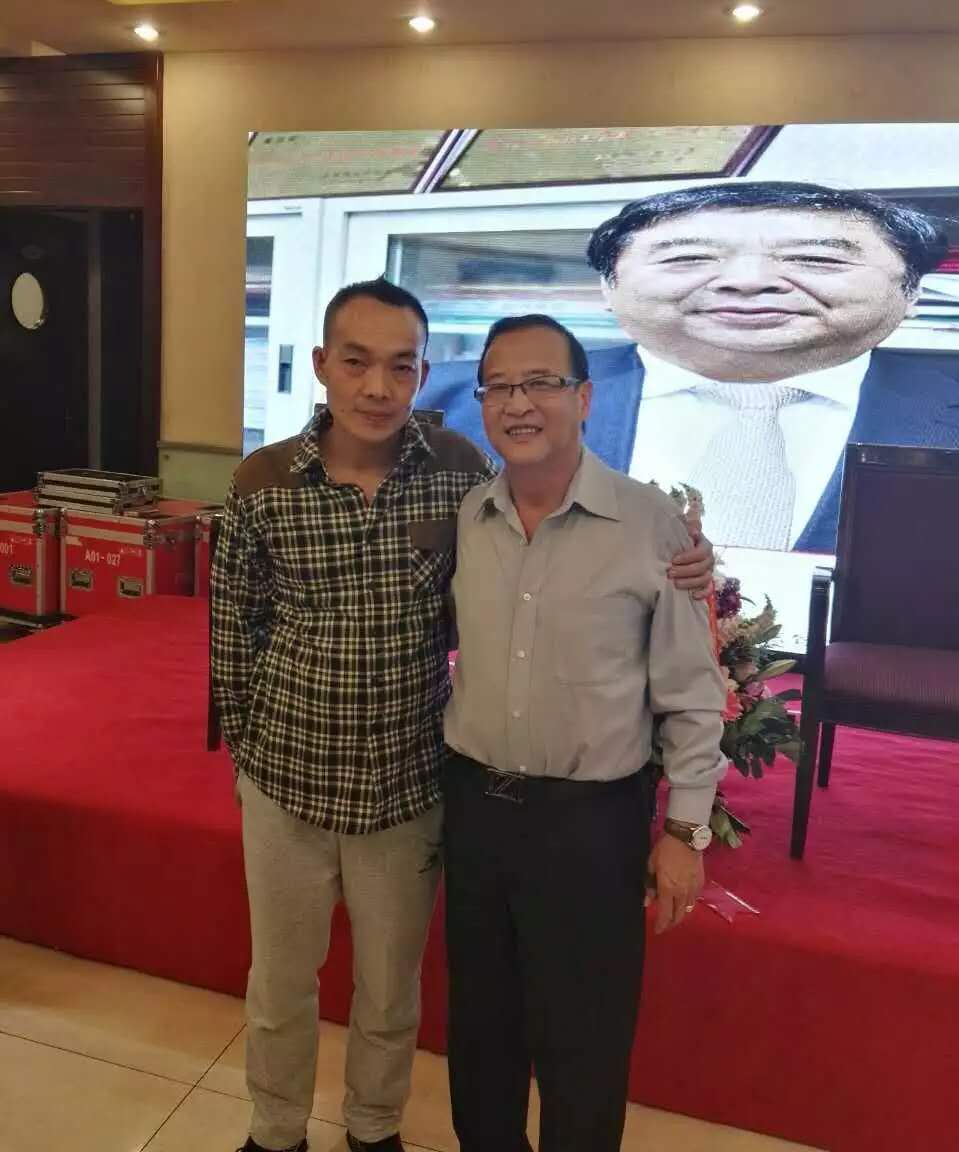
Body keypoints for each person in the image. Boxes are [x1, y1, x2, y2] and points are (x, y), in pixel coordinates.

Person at [210, 279, 716, 1152]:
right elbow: (234, 638)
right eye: (357, 363)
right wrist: (254, 758)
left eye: (401, 366)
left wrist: (690, 558)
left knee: (403, 992)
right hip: (300, 782)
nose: (377, 387)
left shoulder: (461, 477)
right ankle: (276, 1129)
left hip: (417, 790)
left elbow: (663, 660)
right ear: (323, 364)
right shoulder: (273, 484)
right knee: (293, 986)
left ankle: (373, 1129)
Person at [441, 313, 727, 1152]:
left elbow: (692, 693)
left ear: (586, 398)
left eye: (542, 383)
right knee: (481, 1037)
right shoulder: (470, 515)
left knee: (585, 1047)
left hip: (590, 825)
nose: (518, 403)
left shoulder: (650, 526)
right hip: (477, 811)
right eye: (499, 386)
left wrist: (686, 830)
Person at [420, 182, 958, 552]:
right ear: (608, 286)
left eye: (816, 259)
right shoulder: (438, 405)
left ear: (911, 291)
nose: (748, 282)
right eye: (688, 258)